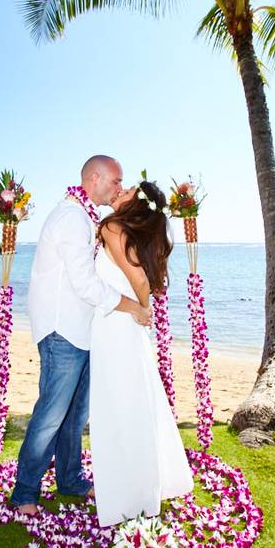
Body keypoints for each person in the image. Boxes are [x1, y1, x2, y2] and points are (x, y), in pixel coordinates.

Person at [10, 155, 152, 516]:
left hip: (84, 329)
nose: (119, 187)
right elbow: (85, 284)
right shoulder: (72, 218)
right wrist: (131, 306)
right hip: (62, 329)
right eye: (115, 181)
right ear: (94, 177)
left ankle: (70, 480)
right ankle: (25, 491)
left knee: (76, 414)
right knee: (52, 414)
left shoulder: (85, 216)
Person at [90, 180, 194, 527]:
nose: (120, 190)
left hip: (116, 325)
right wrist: (139, 310)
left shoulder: (111, 227)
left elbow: (139, 279)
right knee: (132, 400)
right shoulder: (129, 232)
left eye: (128, 189)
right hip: (121, 324)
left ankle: (126, 490)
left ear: (138, 203)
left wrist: (142, 308)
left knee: (118, 404)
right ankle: (135, 482)